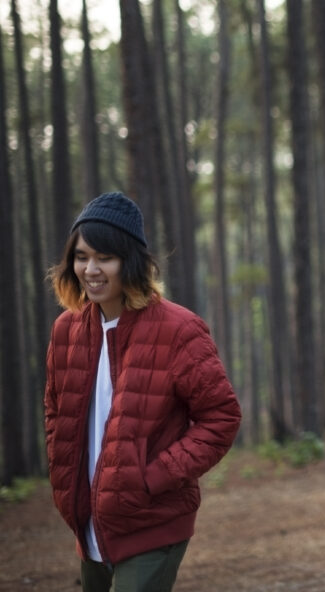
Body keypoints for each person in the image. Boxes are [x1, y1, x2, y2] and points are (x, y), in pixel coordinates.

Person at [44, 192, 242, 592]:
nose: (91, 269)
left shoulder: (178, 329)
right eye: (82, 257)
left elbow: (221, 417)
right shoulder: (66, 331)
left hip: (153, 521)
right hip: (89, 523)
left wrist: (152, 477)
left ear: (130, 262)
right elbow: (54, 410)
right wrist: (65, 473)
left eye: (105, 258)